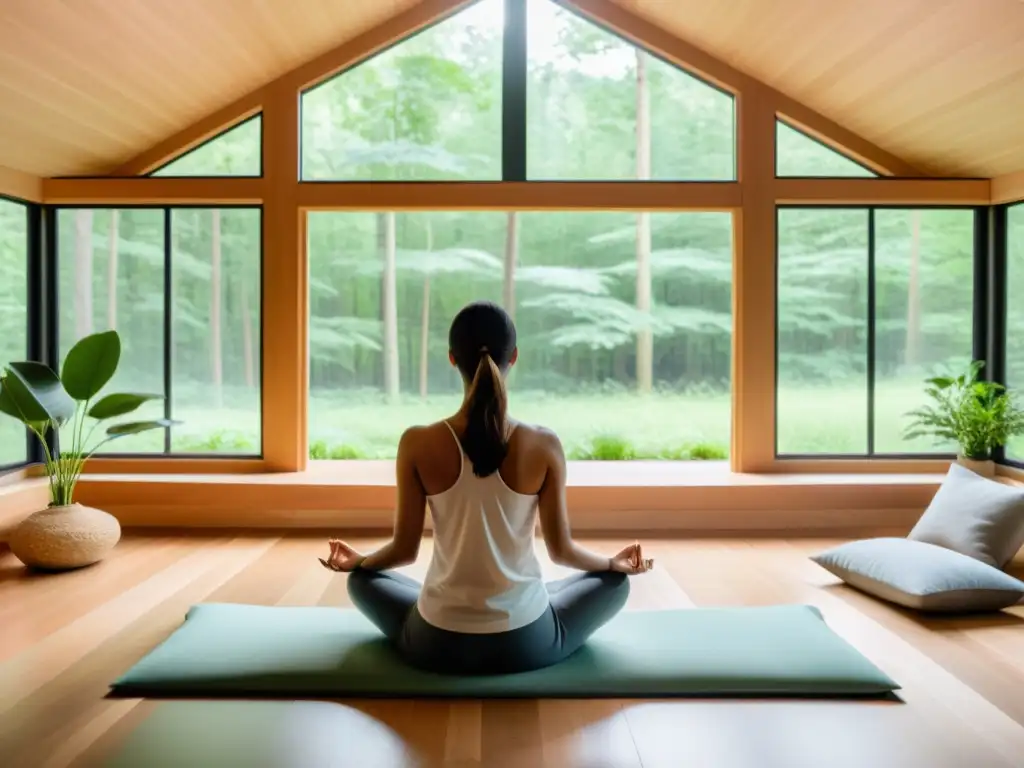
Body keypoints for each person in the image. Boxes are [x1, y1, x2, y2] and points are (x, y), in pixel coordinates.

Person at [320, 301, 653, 676]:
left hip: (435, 643)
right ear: (514, 356)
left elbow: (403, 550)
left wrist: (359, 561)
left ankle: (425, 610)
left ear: (451, 358)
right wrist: (612, 564)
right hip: (525, 642)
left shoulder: (416, 443)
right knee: (614, 584)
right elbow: (562, 552)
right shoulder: (544, 444)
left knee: (362, 581)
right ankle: (545, 599)